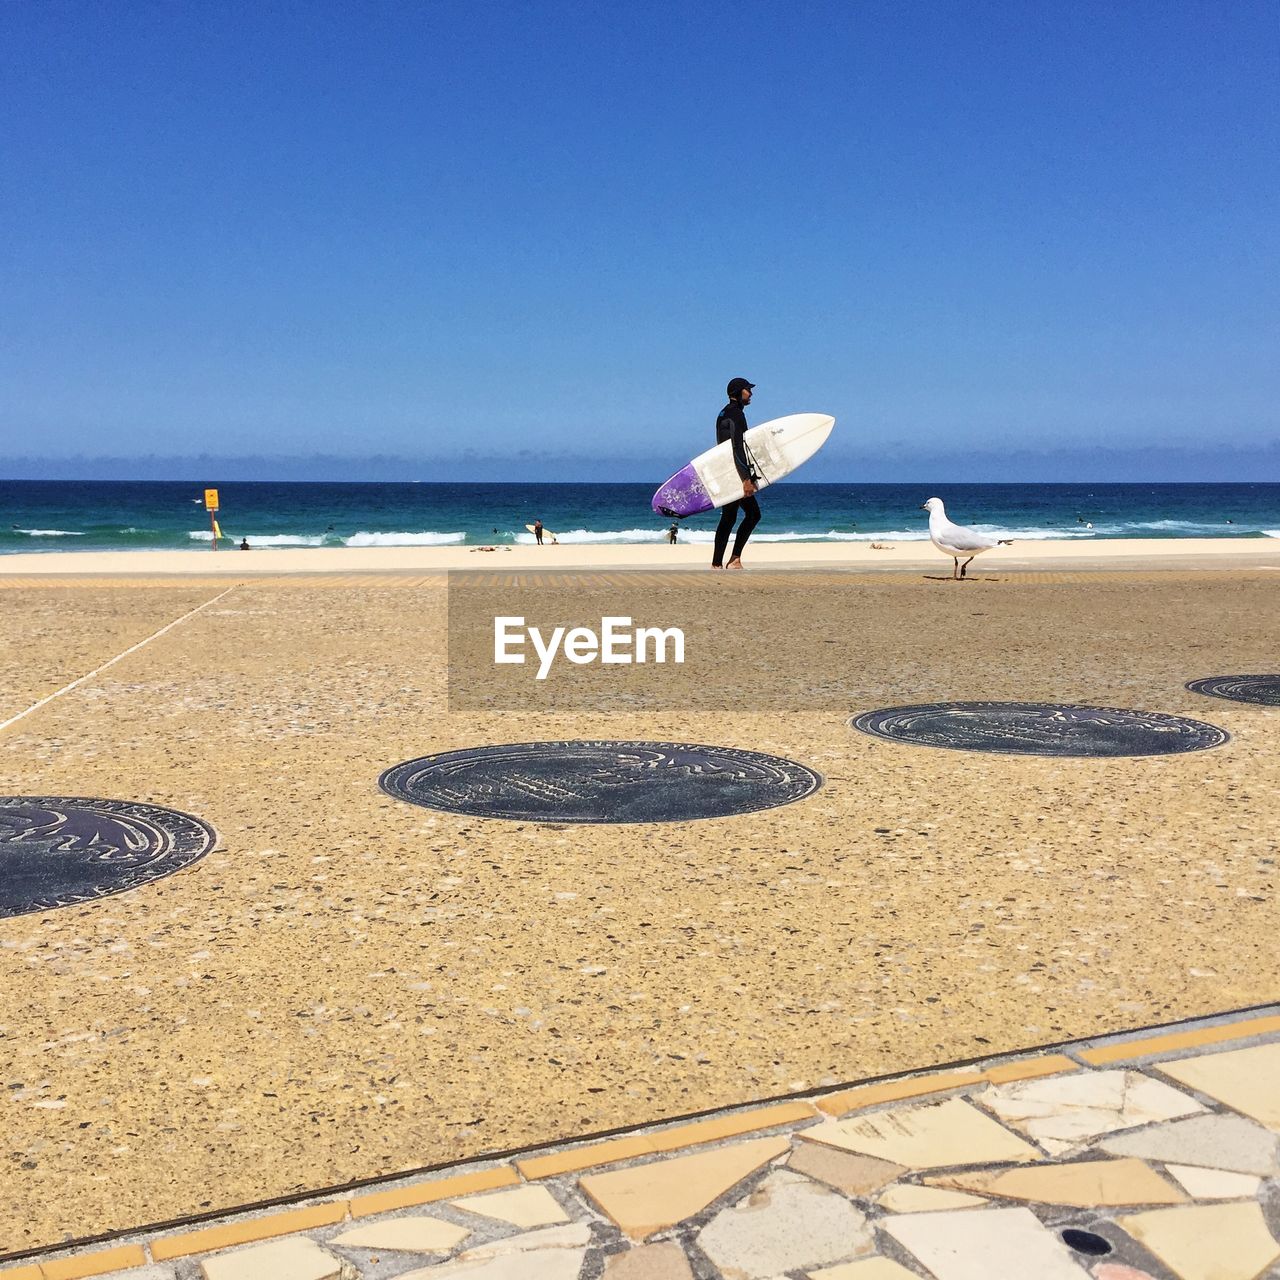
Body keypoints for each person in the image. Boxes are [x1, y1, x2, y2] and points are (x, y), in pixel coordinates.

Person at [711, 377, 760, 569]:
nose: (751, 393)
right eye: (748, 389)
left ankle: (717, 563)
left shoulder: (723, 413)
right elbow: (737, 447)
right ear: (739, 392)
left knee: (729, 517)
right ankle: (734, 559)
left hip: (726, 471)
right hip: (736, 474)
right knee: (753, 514)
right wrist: (746, 478)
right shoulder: (737, 414)